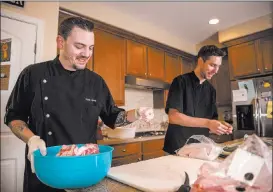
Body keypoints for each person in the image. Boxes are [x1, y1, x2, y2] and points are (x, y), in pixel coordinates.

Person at [4, 17, 154, 192]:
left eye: (90, 48)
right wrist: (32, 139)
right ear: (61, 42)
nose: (86, 54)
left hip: (85, 171)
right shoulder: (33, 74)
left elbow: (113, 118)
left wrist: (136, 114)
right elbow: (14, 117)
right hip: (46, 170)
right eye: (79, 46)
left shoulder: (96, 82)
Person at [163, 45, 233, 155]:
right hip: (178, 148)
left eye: (218, 66)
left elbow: (210, 121)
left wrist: (220, 126)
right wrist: (208, 123)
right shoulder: (180, 82)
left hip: (200, 149)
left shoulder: (211, 90)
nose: (216, 71)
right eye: (212, 65)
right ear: (200, 61)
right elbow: (174, 117)